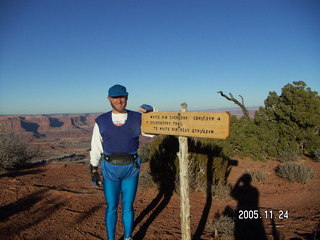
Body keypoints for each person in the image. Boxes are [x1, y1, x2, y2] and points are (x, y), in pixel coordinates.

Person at [89, 84, 155, 240]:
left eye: (122, 97)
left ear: (127, 97)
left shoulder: (137, 118)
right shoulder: (101, 121)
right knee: (111, 206)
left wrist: (151, 112)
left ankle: (127, 237)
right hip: (110, 169)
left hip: (131, 169)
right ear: (109, 99)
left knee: (128, 205)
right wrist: (93, 169)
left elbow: (152, 133)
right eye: (115, 97)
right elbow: (96, 146)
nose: (119, 100)